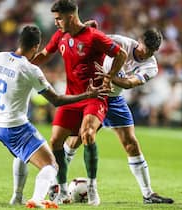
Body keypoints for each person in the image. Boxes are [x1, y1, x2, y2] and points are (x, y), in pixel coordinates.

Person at [0, 25, 109, 208]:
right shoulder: (29, 69)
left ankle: (17, 197)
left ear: (20, 41)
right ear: (36, 47)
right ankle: (37, 199)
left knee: (21, 154)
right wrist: (88, 95)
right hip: (16, 127)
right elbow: (56, 100)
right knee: (51, 165)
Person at [32, 0, 127, 206]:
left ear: (71, 17)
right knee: (56, 141)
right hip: (72, 96)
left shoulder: (93, 36)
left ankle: (92, 187)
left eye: (58, 19)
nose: (56, 23)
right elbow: (44, 55)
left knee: (88, 134)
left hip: (95, 97)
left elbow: (121, 53)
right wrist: (22, 63)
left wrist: (109, 77)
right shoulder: (60, 36)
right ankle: (63, 189)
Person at [63, 28, 175, 204]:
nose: (147, 54)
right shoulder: (120, 42)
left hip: (115, 99)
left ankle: (148, 194)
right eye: (146, 48)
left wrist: (109, 77)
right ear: (139, 41)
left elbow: (130, 83)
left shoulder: (151, 66)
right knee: (77, 139)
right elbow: (91, 41)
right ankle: (57, 185)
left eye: (152, 51)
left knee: (131, 143)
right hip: (94, 95)